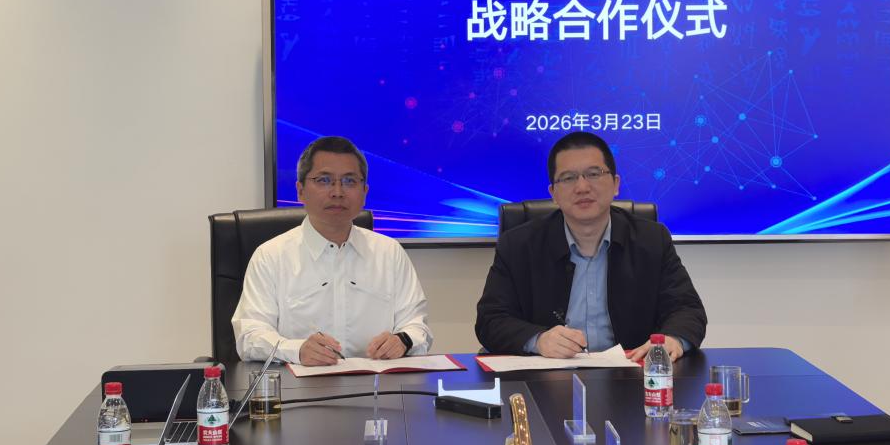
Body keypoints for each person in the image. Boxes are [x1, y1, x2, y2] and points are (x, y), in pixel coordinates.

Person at [475, 131, 706, 361]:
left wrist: (672, 339)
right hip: (548, 374)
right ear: (553, 193)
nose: (582, 187)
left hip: (631, 375)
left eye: (594, 174)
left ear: (616, 184)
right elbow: (490, 320)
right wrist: (538, 340)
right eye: (568, 178)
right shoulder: (518, 245)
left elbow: (687, 309)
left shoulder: (652, 240)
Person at [232, 136, 432, 365]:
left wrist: (402, 340)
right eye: (324, 180)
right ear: (300, 190)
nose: (337, 192)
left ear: (364, 192)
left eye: (349, 181)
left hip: (376, 383)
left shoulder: (389, 252)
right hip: (300, 384)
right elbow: (249, 336)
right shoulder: (270, 256)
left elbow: (417, 326)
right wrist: (297, 350)